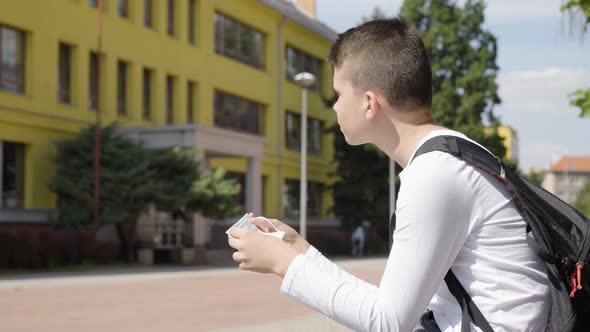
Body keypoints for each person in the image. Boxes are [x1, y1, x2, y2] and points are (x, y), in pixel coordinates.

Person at [228, 18, 550, 332]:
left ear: (369, 103)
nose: (336, 107)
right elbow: (391, 308)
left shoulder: (433, 176)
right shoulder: (452, 156)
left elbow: (388, 321)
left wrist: (283, 264)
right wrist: (300, 250)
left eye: (339, 94)